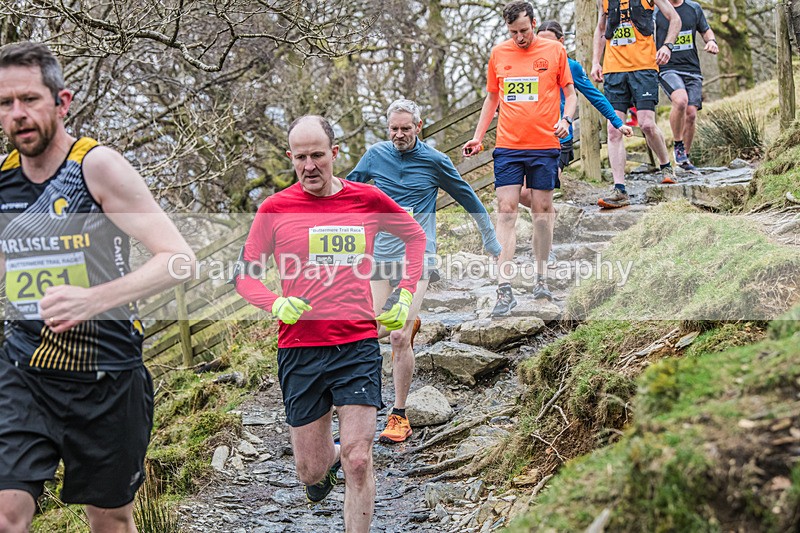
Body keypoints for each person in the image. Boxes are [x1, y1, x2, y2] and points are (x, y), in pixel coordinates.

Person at [0, 42, 195, 533]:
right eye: (5, 103)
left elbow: (179, 260)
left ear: (62, 102)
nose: (17, 115)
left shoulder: (97, 167)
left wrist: (95, 299)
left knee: (109, 520)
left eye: (29, 99)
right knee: (7, 515)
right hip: (26, 371)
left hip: (106, 376)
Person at [234, 115, 426, 532]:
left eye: (317, 155)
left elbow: (415, 237)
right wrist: (275, 303)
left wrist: (405, 293)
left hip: (355, 343)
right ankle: (329, 459)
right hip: (299, 349)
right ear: (291, 158)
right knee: (311, 471)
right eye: (300, 157)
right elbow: (245, 275)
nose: (309, 166)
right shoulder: (274, 209)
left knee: (361, 459)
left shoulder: (367, 199)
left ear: (335, 154)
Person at [347, 98, 502, 444]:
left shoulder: (435, 161)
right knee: (375, 330)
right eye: (394, 129)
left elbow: (468, 199)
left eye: (406, 128)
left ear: (419, 127)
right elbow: (343, 192)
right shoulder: (375, 155)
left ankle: (399, 415)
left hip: (418, 257)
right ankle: (408, 321)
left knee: (399, 336)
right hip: (379, 256)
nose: (399, 134)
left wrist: (491, 241)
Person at [463, 0, 577, 314]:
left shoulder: (554, 51)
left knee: (542, 212)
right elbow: (492, 97)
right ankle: (504, 288)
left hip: (544, 144)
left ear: (534, 23)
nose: (520, 37)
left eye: (524, 30)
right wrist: (478, 136)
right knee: (506, 209)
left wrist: (566, 119)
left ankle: (541, 278)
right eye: (513, 32)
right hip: (508, 146)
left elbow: (571, 94)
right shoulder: (500, 53)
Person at [591, 0, 681, 208]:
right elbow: (601, 28)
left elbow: (675, 18)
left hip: (644, 67)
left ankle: (666, 166)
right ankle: (619, 189)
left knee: (647, 124)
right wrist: (596, 61)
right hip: (613, 70)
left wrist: (667, 46)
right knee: (614, 129)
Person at [655, 0, 718, 170]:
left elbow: (705, 29)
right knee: (681, 100)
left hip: (692, 69)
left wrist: (711, 41)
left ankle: (684, 159)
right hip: (668, 67)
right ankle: (677, 143)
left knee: (691, 113)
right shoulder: (657, 9)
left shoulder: (693, 8)